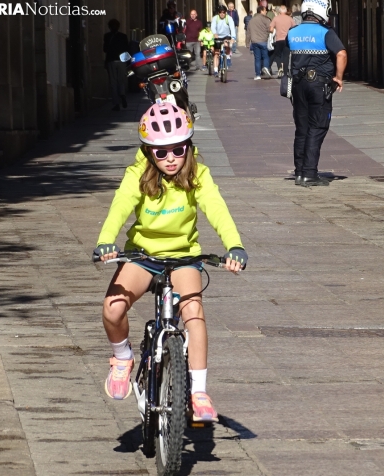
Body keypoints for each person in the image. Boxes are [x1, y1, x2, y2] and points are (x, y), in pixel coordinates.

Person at [94, 103, 248, 422]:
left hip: (183, 258)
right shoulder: (137, 174)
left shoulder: (198, 175)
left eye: (178, 150)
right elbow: (120, 206)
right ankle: (122, 359)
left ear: (188, 147)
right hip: (143, 256)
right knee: (113, 307)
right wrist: (105, 241)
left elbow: (217, 210)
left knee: (193, 312)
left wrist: (234, 246)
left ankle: (199, 392)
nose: (170, 159)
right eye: (160, 152)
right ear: (148, 151)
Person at [287, 0, 347, 187]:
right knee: (317, 127)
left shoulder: (293, 32)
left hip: (298, 86)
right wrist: (338, 77)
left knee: (301, 128)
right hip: (318, 85)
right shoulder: (326, 32)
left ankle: (299, 172)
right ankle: (310, 173)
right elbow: (342, 54)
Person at [103, 19, 129, 112]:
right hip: (121, 60)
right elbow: (127, 48)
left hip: (111, 60)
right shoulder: (123, 36)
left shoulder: (107, 36)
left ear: (109, 27)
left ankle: (116, 104)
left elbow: (105, 49)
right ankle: (122, 94)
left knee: (113, 82)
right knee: (121, 80)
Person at [246, 6, 272, 80]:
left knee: (257, 58)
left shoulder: (251, 20)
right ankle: (266, 68)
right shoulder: (266, 20)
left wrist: (247, 43)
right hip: (263, 41)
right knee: (265, 56)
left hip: (254, 42)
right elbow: (269, 29)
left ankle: (258, 75)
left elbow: (248, 33)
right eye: (265, 10)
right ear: (261, 11)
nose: (266, 11)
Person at [269, 5, 296, 78]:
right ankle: (285, 72)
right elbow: (294, 28)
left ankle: (280, 67)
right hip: (287, 39)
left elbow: (271, 29)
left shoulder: (275, 18)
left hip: (278, 39)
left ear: (279, 11)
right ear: (286, 11)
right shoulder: (290, 18)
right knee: (286, 56)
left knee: (278, 55)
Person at [211, 5, 237, 75]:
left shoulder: (229, 18)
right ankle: (216, 70)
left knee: (226, 44)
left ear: (226, 12)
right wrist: (214, 33)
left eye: (223, 12)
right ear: (218, 13)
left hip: (226, 35)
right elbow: (213, 27)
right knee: (216, 53)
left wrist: (233, 38)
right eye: (220, 12)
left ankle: (228, 57)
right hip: (218, 36)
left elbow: (232, 28)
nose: (222, 14)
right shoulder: (215, 18)